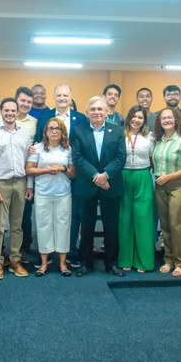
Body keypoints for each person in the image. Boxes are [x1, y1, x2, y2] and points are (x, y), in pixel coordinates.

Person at [72, 96, 127, 277]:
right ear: (87, 113)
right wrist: (96, 176)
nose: (96, 112)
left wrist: (106, 175)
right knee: (86, 226)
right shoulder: (79, 131)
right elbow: (78, 158)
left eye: (100, 109)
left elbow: (121, 157)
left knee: (111, 226)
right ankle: (85, 262)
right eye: (93, 109)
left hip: (111, 184)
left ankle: (111, 263)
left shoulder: (117, 130)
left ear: (106, 113)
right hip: (87, 185)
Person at [0, 98, 34, 279]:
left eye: (13, 110)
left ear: (18, 111)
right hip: (0, 183)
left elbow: (29, 161)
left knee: (17, 225)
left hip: (20, 182)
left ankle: (14, 260)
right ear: (1, 111)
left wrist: (29, 185)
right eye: (7, 110)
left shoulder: (24, 134)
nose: (10, 113)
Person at [26, 118, 75, 276]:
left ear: (62, 132)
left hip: (63, 194)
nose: (54, 131)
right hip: (43, 194)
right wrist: (47, 170)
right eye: (51, 128)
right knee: (43, 226)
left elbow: (73, 173)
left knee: (63, 227)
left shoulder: (68, 149)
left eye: (57, 129)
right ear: (45, 132)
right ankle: (44, 264)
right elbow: (29, 170)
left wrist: (62, 168)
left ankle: (62, 264)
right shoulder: (37, 148)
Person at [153, 108, 181, 277]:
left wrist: (168, 177)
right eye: (163, 118)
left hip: (178, 185)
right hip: (160, 185)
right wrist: (163, 179)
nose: (167, 120)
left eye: (170, 117)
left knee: (176, 225)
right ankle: (168, 260)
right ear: (159, 122)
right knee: (164, 225)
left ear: (176, 119)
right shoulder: (159, 141)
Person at [118, 105, 155, 273]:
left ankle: (144, 261)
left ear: (144, 121)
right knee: (125, 218)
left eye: (140, 117)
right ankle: (125, 258)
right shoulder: (120, 135)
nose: (136, 120)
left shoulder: (150, 137)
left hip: (143, 176)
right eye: (134, 116)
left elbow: (155, 158)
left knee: (143, 218)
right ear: (128, 117)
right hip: (124, 176)